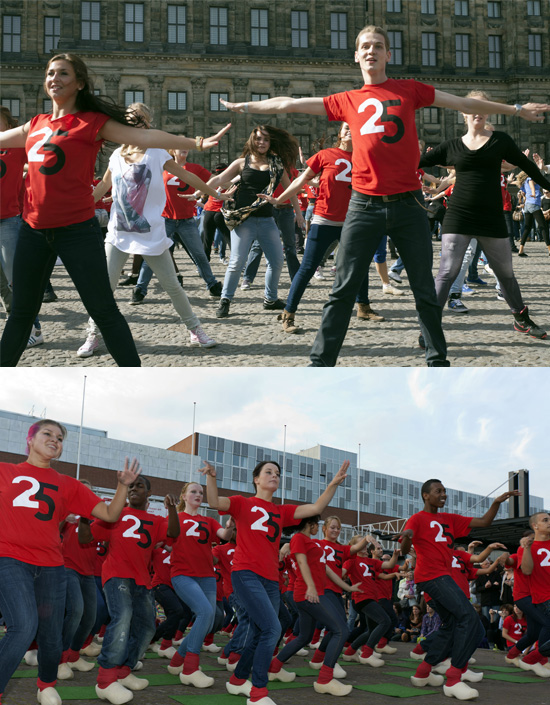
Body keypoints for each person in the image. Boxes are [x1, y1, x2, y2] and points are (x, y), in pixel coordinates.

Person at [220, 25, 549, 367]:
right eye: (365, 46)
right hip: (363, 205)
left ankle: (437, 362)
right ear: (357, 55)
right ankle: (320, 363)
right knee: (342, 290)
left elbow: (463, 102)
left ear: (388, 54)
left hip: (408, 204)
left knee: (424, 290)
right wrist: (248, 106)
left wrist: (516, 109)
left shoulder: (410, 89)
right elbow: (290, 103)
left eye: (378, 45)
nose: (371, 51)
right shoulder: (347, 100)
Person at [0, 52, 230, 367]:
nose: (55, 78)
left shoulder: (92, 122)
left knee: (105, 311)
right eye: (51, 73)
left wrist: (197, 142)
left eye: (64, 73)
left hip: (76, 231)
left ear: (79, 83)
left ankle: (136, 369)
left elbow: (147, 137)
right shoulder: (36, 124)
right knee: (21, 315)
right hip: (33, 230)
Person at [0, 419, 141, 705]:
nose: (55, 439)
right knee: (24, 625)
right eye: (48, 434)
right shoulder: (6, 472)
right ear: (29, 439)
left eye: (60, 438)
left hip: (52, 566)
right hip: (10, 559)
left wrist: (122, 486)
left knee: (52, 632)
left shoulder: (69, 484)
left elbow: (110, 514)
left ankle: (47, 684)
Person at [76, 102, 234, 358]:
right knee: (105, 288)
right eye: (130, 119)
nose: (134, 124)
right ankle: (93, 335)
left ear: (147, 123)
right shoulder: (116, 155)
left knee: (172, 285)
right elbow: (104, 184)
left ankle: (195, 330)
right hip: (118, 233)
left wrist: (214, 193)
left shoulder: (157, 152)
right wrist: (80, 210)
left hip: (151, 234)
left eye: (140, 120)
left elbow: (186, 175)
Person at [200, 458, 351, 705]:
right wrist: (212, 478)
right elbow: (215, 502)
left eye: (278, 473)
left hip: (271, 579)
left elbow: (315, 508)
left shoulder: (281, 511)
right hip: (245, 573)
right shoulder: (242, 503)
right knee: (273, 628)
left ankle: (237, 680)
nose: (274, 476)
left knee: (262, 632)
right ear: (256, 479)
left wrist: (333, 483)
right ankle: (258, 693)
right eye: (268, 472)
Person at [419, 91, 550, 339]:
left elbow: (528, 167)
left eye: (482, 105)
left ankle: (521, 319)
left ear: (488, 110)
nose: (476, 110)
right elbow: (414, 163)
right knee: (447, 272)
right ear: (463, 112)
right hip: (458, 216)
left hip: (492, 217)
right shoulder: (451, 146)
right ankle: (429, 327)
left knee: (506, 274)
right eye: (471, 105)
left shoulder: (501, 140)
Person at [399, 479, 519, 700]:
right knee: (469, 619)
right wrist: (406, 540)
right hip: (431, 577)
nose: (443, 494)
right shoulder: (417, 518)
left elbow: (484, 521)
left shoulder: (450, 519)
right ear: (426, 495)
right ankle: (454, 678)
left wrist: (496, 503)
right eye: (438, 491)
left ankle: (423, 672)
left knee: (452, 625)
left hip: (441, 578)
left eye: (445, 491)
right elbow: (405, 545)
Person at [258, 123, 382, 333]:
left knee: (360, 265)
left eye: (353, 127)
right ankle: (288, 314)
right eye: (345, 128)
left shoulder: (365, 157)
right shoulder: (326, 155)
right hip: (324, 220)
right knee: (307, 268)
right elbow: (300, 180)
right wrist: (279, 198)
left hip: (352, 222)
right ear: (339, 134)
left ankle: (363, 307)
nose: (350, 130)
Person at [78, 475, 180, 705]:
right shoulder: (115, 514)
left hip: (143, 581)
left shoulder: (155, 520)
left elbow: (173, 533)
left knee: (146, 627)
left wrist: (172, 509)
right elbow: (85, 537)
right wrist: (85, 516)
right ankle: (105, 680)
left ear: (149, 494)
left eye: (139, 486)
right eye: (131, 486)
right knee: (122, 617)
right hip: (116, 575)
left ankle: (124, 671)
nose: (134, 489)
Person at [206, 125, 301, 318]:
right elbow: (219, 179)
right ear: (252, 140)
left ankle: (270, 299)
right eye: (258, 139)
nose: (262, 143)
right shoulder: (242, 162)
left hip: (267, 220)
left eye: (266, 140)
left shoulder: (277, 164)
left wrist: (298, 214)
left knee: (276, 261)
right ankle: (225, 300)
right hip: (244, 221)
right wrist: (202, 192)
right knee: (236, 262)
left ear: (270, 142)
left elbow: (291, 189)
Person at [267, 515, 360, 697]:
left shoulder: (312, 544)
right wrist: (311, 587)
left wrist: (347, 587)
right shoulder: (299, 539)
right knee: (340, 630)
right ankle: (325, 679)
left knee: (304, 637)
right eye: (316, 524)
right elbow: (301, 563)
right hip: (310, 593)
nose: (317, 527)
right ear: (308, 524)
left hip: (311, 593)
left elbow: (326, 570)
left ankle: (274, 667)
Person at [132, 148, 224, 303]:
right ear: (172, 150)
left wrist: (235, 180)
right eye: (179, 145)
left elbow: (217, 180)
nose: (184, 148)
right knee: (153, 253)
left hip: (187, 220)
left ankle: (212, 285)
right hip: (164, 220)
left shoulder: (195, 168)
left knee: (199, 255)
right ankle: (140, 289)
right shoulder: (161, 168)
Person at [166, 480, 234, 688]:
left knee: (211, 617)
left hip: (206, 577)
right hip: (182, 575)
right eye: (193, 492)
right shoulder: (176, 518)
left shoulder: (209, 521)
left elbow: (224, 536)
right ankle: (190, 669)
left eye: (201, 493)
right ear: (184, 496)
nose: (198, 495)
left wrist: (231, 526)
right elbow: (166, 539)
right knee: (205, 612)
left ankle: (177, 661)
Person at [517, 511, 550, 678]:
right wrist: (527, 547)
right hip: (544, 597)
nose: (549, 522)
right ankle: (534, 658)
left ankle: (533, 658)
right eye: (545, 520)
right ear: (535, 526)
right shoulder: (527, 547)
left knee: (540, 629)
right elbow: (527, 570)